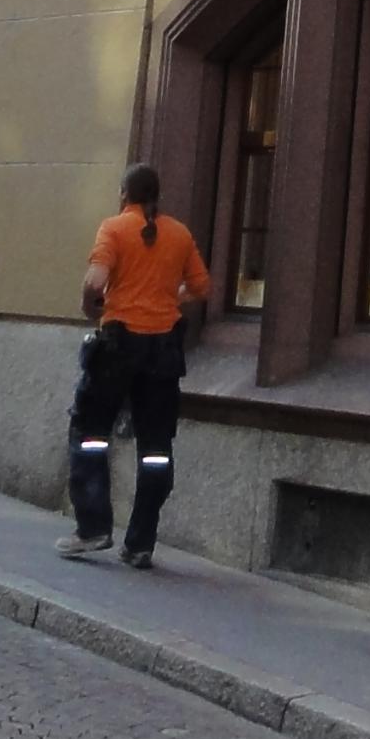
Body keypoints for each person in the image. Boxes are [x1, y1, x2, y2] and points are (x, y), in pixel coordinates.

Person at [60, 164, 209, 570]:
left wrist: (91, 306)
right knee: (156, 448)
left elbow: (96, 281)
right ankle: (141, 543)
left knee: (90, 434)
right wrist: (169, 297)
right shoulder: (179, 234)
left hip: (118, 345)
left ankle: (93, 528)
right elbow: (201, 286)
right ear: (157, 195)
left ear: (124, 194)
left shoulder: (114, 229)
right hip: (163, 351)